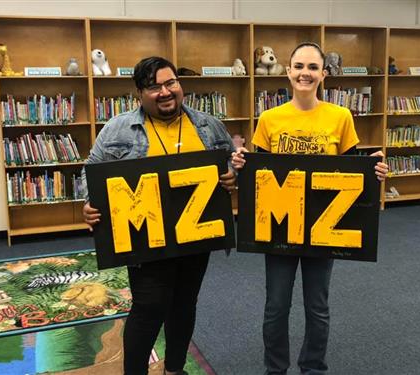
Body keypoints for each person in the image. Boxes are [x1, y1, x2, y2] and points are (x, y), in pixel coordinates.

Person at [232, 42, 389, 375]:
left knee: (317, 306)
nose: (305, 73)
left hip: (323, 227)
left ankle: (313, 368)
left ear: (323, 74)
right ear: (289, 72)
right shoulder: (270, 118)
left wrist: (372, 170)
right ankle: (275, 369)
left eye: (313, 67)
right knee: (276, 306)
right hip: (279, 225)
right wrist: (240, 163)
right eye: (299, 66)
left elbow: (351, 170)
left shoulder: (340, 116)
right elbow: (258, 172)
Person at [82, 56, 236, 375]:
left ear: (180, 85)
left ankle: (174, 369)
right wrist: (90, 201)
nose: (165, 92)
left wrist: (233, 176)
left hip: (196, 234)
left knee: (184, 305)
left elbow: (230, 164)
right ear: (139, 93)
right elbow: (91, 170)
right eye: (154, 87)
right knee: (149, 308)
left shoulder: (208, 125)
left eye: (171, 83)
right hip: (144, 237)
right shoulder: (118, 128)